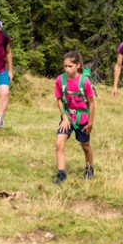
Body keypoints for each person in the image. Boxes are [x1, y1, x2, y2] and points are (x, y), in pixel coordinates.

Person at [53, 50, 95, 182]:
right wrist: (64, 117)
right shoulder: (60, 80)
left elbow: (91, 103)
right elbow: (59, 99)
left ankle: (89, 169)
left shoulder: (85, 82)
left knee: (85, 145)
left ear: (78, 65)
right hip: (67, 117)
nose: (67, 69)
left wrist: (90, 122)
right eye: (65, 66)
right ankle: (61, 174)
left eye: (70, 66)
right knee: (59, 143)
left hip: (83, 119)